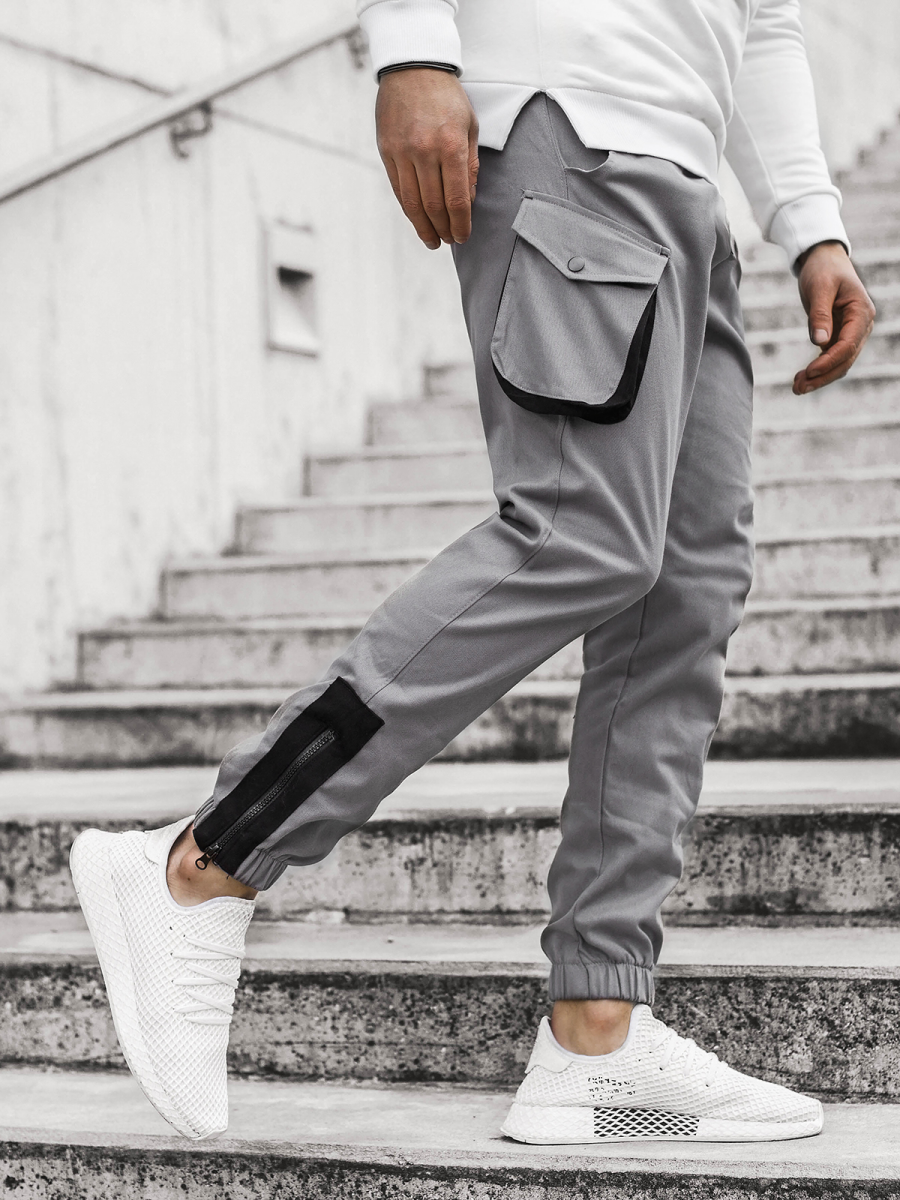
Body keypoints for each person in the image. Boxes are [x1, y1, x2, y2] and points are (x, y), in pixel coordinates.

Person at [70, 0, 875, 1145]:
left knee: (685, 590)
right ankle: (203, 861)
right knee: (578, 532)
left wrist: (811, 223)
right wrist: (410, 45)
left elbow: (770, 22)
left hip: (691, 186)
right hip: (570, 122)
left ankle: (598, 1035)